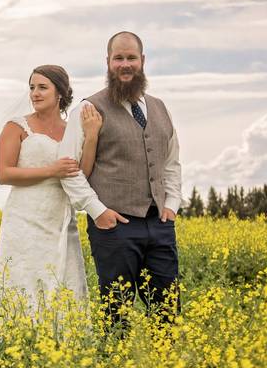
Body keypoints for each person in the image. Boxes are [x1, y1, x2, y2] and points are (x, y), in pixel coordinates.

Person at [58, 31, 183, 329]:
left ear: (142, 61)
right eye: (118, 58)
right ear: (108, 62)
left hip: (159, 224)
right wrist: (97, 212)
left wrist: (172, 204)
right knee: (116, 313)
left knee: (168, 311)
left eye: (131, 58)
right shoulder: (88, 109)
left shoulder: (160, 107)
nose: (125, 64)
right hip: (114, 226)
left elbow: (171, 161)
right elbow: (69, 170)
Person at [0, 65, 95, 323]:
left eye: (42, 87)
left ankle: (65, 345)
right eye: (32, 87)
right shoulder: (16, 127)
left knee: (63, 277)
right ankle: (16, 341)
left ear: (60, 93)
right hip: (24, 218)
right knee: (23, 276)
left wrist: (91, 138)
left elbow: (82, 174)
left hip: (60, 218)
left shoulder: (73, 130)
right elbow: (4, 174)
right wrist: (51, 170)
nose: (35, 93)